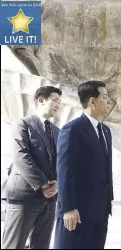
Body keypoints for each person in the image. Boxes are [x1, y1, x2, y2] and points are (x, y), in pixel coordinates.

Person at [54, 80, 114, 249]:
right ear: (92, 101)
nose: (109, 101)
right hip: (77, 212)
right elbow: (65, 171)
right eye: (105, 96)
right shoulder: (73, 129)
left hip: (100, 211)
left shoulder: (105, 131)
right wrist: (68, 208)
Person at [1, 86, 62, 249]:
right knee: (14, 245)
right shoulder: (23, 124)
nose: (58, 105)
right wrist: (43, 183)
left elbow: (62, 162)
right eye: (55, 100)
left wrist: (57, 184)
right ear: (41, 100)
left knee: (41, 246)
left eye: (60, 102)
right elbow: (21, 157)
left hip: (49, 199)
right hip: (24, 197)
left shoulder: (57, 131)